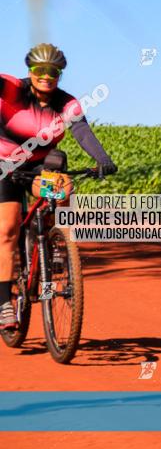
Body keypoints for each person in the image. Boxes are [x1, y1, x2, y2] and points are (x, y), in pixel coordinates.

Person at [0, 44, 117, 329]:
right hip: (4, 165)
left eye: (53, 72)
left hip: (39, 167)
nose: (46, 76)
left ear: (59, 74)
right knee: (7, 230)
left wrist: (103, 159)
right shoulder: (13, 90)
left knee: (64, 188)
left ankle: (53, 241)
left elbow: (82, 131)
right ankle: (4, 302)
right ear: (30, 71)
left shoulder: (67, 103)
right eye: (40, 70)